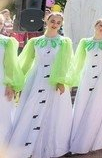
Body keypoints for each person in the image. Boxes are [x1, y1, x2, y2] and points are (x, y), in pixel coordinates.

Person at [9, 13, 73, 158]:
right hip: (36, 79)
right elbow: (24, 63)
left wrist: (60, 80)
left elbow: (65, 63)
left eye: (58, 22)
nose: (55, 24)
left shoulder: (65, 42)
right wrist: (16, 82)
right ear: (46, 21)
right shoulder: (34, 42)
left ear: (61, 24)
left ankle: (51, 148)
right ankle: (24, 146)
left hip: (54, 81)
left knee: (53, 113)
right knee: (31, 108)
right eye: (52, 21)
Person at [69, 18, 102, 154]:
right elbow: (78, 62)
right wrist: (72, 79)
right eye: (101, 25)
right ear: (95, 26)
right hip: (87, 77)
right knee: (85, 104)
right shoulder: (85, 42)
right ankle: (83, 138)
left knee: (100, 105)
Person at [0, 20, 21, 142]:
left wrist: (10, 84)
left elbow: (11, 65)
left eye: (0, 22)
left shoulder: (7, 41)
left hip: (2, 81)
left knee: (3, 110)